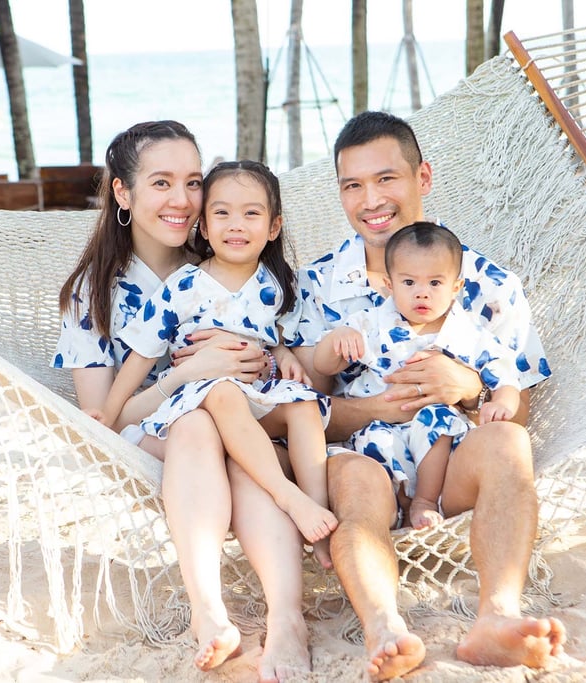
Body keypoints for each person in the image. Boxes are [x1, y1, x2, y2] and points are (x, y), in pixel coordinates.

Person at [289, 110, 566, 680]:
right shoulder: (315, 288)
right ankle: (386, 628)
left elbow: (522, 409)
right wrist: (374, 410)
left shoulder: (488, 285)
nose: (371, 200)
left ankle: (497, 617)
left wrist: (469, 388)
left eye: (386, 178)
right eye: (352, 185)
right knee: (356, 480)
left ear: (424, 178)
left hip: (453, 460)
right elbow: (286, 414)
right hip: (366, 458)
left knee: (509, 443)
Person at [55, 122, 311, 681]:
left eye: (193, 182)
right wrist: (188, 374)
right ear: (123, 193)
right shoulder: (93, 293)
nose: (182, 200)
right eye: (162, 182)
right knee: (200, 425)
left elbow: (284, 336)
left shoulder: (232, 248)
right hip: (157, 436)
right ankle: (209, 613)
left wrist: (266, 359)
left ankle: (287, 620)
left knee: (231, 439)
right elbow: (105, 419)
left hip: (245, 424)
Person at [91, 159, 338, 563]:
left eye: (251, 214)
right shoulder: (185, 284)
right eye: (221, 213)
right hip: (201, 398)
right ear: (204, 227)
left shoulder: (279, 284)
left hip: (258, 395)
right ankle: (287, 495)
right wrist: (108, 412)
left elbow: (282, 334)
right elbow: (142, 354)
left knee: (304, 404)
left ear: (273, 227)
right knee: (223, 392)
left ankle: (318, 510)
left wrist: (283, 354)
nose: (235, 225)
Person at [313, 222, 520, 531]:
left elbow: (505, 375)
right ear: (389, 284)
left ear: (456, 287)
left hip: (434, 434)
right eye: (409, 282)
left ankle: (424, 501)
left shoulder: (466, 334)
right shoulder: (370, 324)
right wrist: (338, 340)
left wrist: (502, 402)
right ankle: (396, 507)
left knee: (439, 419)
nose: (422, 293)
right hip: (379, 424)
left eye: (435, 283)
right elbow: (323, 365)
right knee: (374, 440)